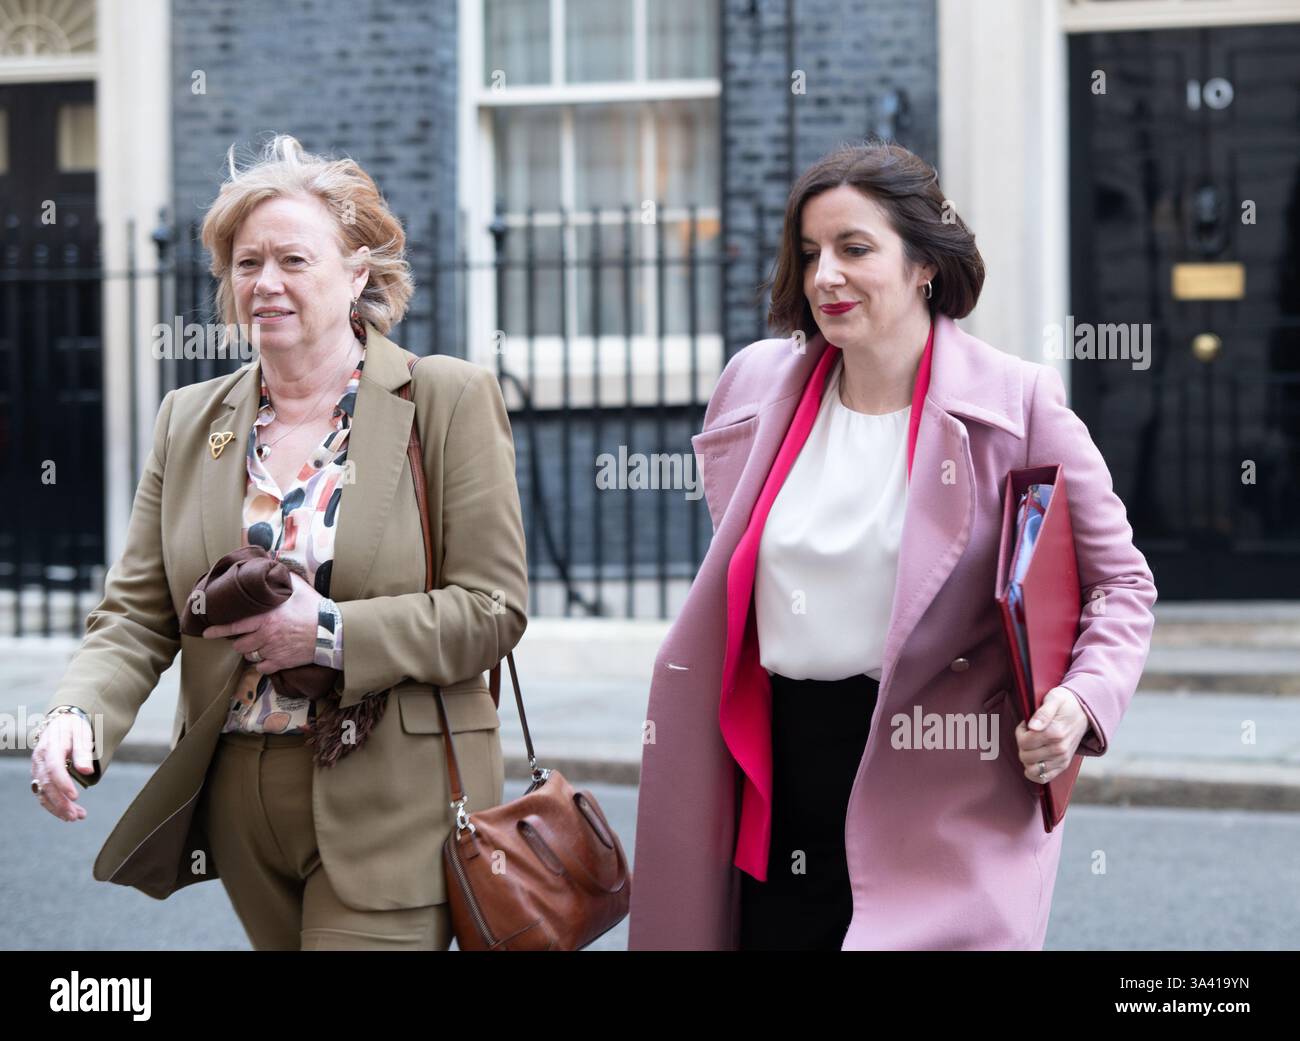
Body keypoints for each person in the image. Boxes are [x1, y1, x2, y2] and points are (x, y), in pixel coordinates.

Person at [628, 141, 1157, 950]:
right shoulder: (755, 386)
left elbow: (1120, 583)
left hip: (943, 786)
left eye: (854, 249)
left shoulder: (1019, 405)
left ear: (925, 267)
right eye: (810, 255)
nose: (824, 277)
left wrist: (1082, 699)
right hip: (774, 777)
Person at [29, 134, 528, 950]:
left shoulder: (445, 399)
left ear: (358, 273)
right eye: (246, 262)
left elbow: (493, 609)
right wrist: (77, 712)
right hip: (240, 807)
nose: (264, 283)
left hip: (391, 800)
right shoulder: (190, 419)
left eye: (293, 260)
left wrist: (328, 633)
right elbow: (136, 612)